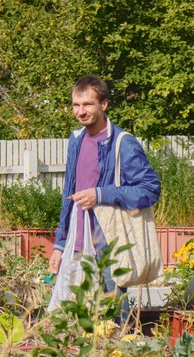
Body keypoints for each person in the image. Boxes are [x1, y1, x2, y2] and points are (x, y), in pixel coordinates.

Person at [49, 76, 161, 312]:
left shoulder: (122, 143)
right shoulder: (76, 140)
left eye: (88, 104)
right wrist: (60, 245)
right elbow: (69, 194)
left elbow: (150, 189)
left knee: (112, 322)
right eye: (76, 105)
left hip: (109, 246)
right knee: (75, 320)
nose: (81, 111)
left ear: (104, 104)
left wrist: (101, 195)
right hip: (78, 244)